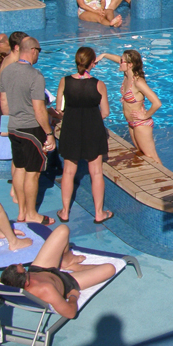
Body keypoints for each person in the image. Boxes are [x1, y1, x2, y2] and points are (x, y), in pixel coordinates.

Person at [0, 225, 116, 319]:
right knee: (110, 268)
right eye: (23, 269)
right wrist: (73, 296)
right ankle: (77, 268)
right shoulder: (46, 290)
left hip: (39, 270)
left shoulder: (10, 280)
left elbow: (0, 282)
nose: (21, 264)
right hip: (66, 282)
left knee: (62, 230)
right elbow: (70, 313)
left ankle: (68, 260)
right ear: (26, 282)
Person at [0, 36, 56, 226]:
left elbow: (4, 103)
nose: (38, 55)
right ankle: (32, 214)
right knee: (33, 173)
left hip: (14, 128)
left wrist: (12, 120)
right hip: (32, 129)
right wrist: (49, 133)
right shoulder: (35, 76)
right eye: (39, 51)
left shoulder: (6, 71)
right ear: (33, 50)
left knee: (20, 169)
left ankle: (22, 212)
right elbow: (39, 109)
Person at [54, 47, 113, 224]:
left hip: (71, 129)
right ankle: (98, 213)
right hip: (93, 129)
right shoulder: (98, 84)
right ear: (92, 62)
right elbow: (106, 112)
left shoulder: (64, 81)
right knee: (96, 172)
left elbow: (59, 108)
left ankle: (65, 211)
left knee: (68, 172)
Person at [96, 49, 162, 164]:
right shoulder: (127, 75)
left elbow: (157, 102)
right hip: (131, 123)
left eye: (122, 61)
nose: (119, 62)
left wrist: (145, 115)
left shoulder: (138, 82)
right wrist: (104, 55)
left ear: (130, 64)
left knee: (152, 157)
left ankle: (166, 180)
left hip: (141, 124)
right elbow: (117, 59)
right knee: (142, 155)